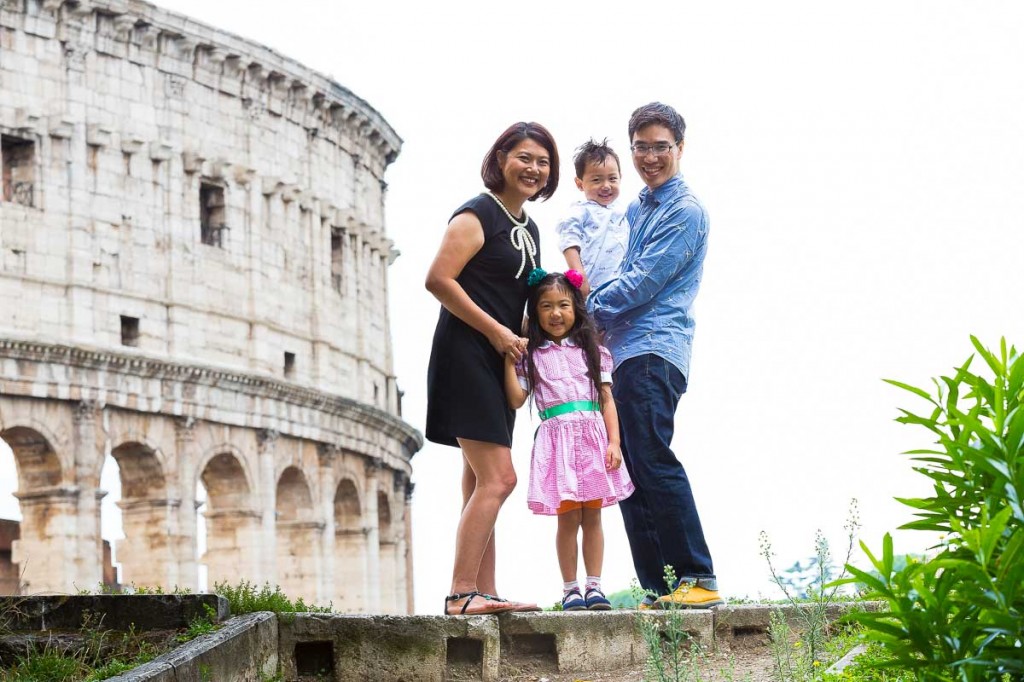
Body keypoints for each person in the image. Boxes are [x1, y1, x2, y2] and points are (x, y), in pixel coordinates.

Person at [588, 102, 722, 609]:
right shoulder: (636, 209)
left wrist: (584, 313)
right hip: (619, 353)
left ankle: (697, 577)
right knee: (628, 467)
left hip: (652, 348)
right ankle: (660, 587)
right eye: (640, 147)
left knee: (651, 455)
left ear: (679, 149)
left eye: (660, 146)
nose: (649, 157)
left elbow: (641, 282)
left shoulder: (684, 211)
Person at [425, 122, 560, 616]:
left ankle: (485, 590)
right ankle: (461, 595)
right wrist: (496, 332)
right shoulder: (476, 213)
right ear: (501, 158)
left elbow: (517, 300)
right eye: (524, 157)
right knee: (500, 478)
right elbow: (438, 280)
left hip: (500, 361)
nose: (534, 169)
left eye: (543, 162)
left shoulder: (529, 227)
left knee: (477, 480)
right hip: (467, 354)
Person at [503, 269, 633, 611]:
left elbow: (607, 399)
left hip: (592, 438)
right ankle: (570, 589)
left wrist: (614, 442)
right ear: (535, 311)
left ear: (575, 307)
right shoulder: (532, 357)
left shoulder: (593, 352)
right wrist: (509, 356)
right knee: (567, 518)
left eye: (563, 304)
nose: (555, 313)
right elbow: (517, 399)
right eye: (546, 306)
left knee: (593, 516)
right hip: (557, 442)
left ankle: (595, 587)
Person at [555, 139, 629, 298]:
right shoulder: (580, 211)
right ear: (580, 183)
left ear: (620, 177)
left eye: (612, 178)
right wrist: (579, 276)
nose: (606, 185)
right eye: (597, 180)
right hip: (591, 289)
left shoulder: (624, 211)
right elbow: (568, 241)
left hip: (621, 289)